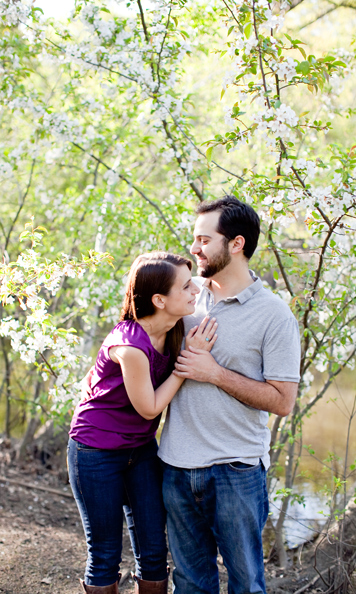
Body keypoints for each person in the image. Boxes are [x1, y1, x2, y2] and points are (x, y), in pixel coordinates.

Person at [159, 196, 301, 594]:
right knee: (189, 583)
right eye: (195, 239)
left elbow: (283, 402)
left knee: (246, 584)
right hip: (175, 465)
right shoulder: (184, 297)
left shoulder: (274, 315)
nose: (194, 248)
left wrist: (215, 374)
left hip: (236, 470)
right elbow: (136, 335)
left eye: (204, 240)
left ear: (236, 244)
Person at [69, 252, 219, 594]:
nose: (194, 291)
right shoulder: (131, 346)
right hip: (96, 452)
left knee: (153, 550)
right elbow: (149, 408)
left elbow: (211, 289)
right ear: (159, 299)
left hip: (140, 450)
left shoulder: (176, 326)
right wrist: (187, 365)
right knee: (105, 553)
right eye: (185, 286)